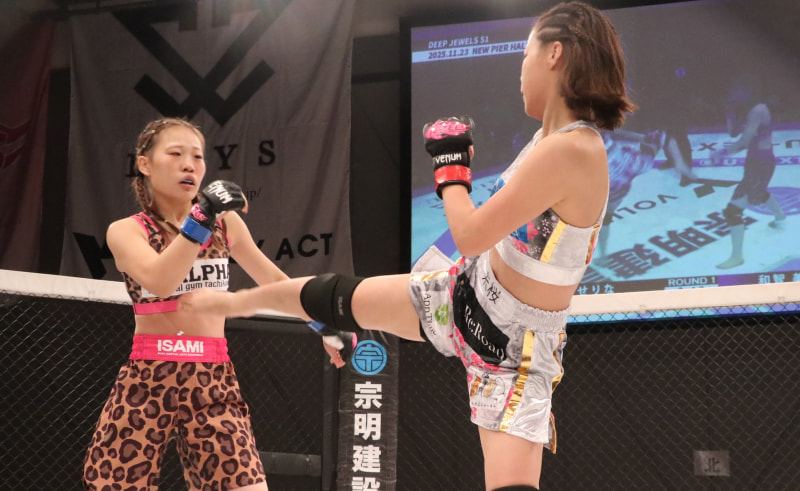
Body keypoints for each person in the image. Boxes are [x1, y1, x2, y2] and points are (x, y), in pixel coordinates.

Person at [180, 2, 634, 490]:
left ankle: (239, 303)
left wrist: (450, 170)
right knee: (339, 296)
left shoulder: (573, 148)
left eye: (526, 54)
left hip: (512, 347)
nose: (520, 69)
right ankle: (238, 303)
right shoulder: (546, 141)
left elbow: (471, 234)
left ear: (555, 54)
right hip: (467, 293)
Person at [82, 117, 290, 490]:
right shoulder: (127, 230)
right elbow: (161, 281)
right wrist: (200, 219)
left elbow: (275, 282)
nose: (189, 165)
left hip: (213, 378)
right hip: (148, 377)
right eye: (176, 154)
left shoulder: (225, 224)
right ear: (145, 164)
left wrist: (326, 321)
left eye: (197, 156)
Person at [712, 76, 785, 269]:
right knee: (759, 191)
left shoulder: (758, 110)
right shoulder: (745, 108)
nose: (733, 94)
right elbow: (733, 133)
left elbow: (743, 142)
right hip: (754, 162)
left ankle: (737, 257)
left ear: (746, 91)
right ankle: (780, 216)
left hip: (761, 163)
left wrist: (721, 153)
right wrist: (729, 112)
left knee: (733, 210)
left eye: (736, 91)